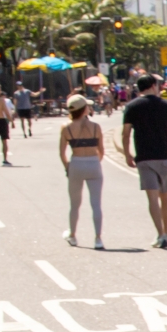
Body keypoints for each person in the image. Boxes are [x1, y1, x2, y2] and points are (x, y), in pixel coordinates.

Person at [121, 75, 167, 247]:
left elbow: (126, 133)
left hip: (144, 157)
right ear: (153, 86)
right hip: (164, 155)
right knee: (165, 195)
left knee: (152, 198)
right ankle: (166, 230)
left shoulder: (131, 107)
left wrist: (127, 154)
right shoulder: (166, 106)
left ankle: (160, 234)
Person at [59, 94, 106, 249]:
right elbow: (101, 150)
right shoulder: (96, 127)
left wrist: (67, 167)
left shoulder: (66, 128)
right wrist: (95, 162)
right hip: (93, 162)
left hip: (76, 163)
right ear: (84, 109)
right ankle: (98, 238)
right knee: (96, 203)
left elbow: (62, 153)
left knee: (74, 204)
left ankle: (72, 235)